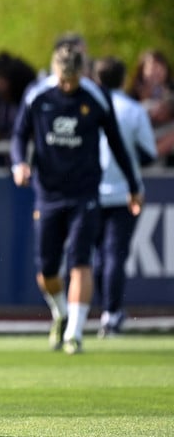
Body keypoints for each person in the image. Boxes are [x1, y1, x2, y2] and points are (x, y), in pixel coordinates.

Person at [11, 43, 142, 355]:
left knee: (81, 260)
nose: (67, 86)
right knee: (47, 272)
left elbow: (117, 142)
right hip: (48, 192)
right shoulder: (38, 95)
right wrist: (19, 163)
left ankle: (75, 333)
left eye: (73, 80)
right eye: (63, 80)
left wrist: (133, 185)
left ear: (82, 73)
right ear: (55, 73)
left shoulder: (95, 97)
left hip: (85, 191)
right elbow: (19, 134)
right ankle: (61, 313)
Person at [91, 57, 157, 337]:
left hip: (91, 191)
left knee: (96, 255)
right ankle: (111, 312)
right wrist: (127, 162)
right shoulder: (132, 110)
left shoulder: (87, 106)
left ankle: (97, 309)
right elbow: (148, 153)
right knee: (115, 254)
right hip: (125, 192)